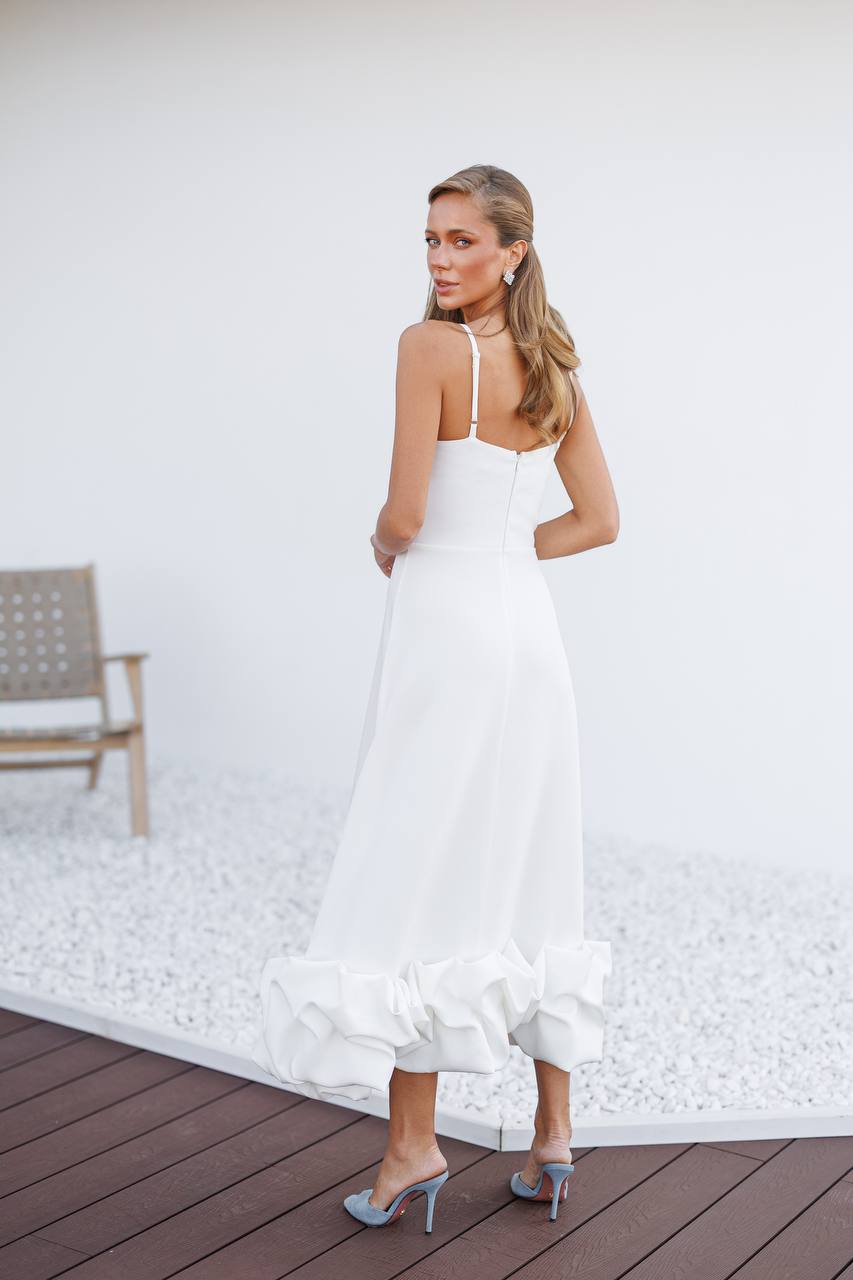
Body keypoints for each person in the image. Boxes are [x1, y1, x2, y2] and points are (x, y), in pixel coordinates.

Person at [253, 163, 618, 1231]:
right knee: (536, 868)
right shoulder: (552, 361)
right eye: (429, 241)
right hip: (527, 633)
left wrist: (387, 540)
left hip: (447, 633)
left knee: (420, 865)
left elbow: (406, 512)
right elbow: (596, 519)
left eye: (462, 241)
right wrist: (507, 550)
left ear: (514, 251)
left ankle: (412, 1147)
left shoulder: (426, 349)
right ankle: (552, 1137)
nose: (441, 261)